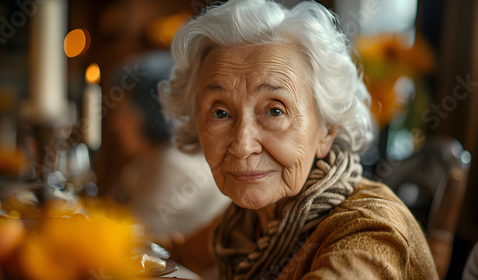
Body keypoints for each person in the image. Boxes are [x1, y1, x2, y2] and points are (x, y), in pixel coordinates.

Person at [158, 0, 439, 279]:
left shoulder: (371, 231)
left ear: (328, 129)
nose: (243, 146)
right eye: (220, 112)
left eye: (275, 111)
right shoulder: (246, 221)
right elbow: (172, 255)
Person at [105, 51, 230, 235]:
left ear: (153, 111)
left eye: (124, 113)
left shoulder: (175, 165)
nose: (115, 124)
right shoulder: (145, 162)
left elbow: (131, 238)